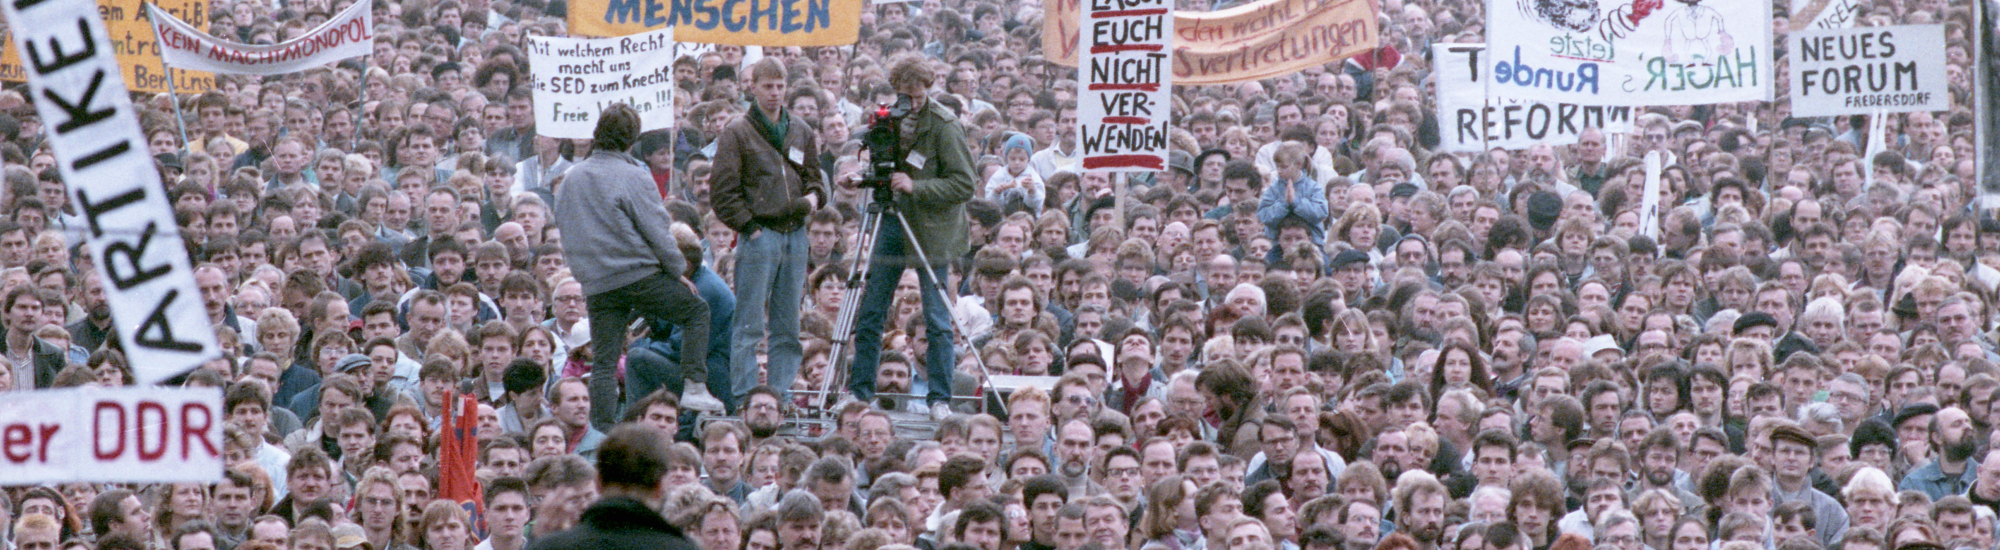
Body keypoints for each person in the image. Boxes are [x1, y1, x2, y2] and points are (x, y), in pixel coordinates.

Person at [553, 103, 724, 424]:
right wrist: (677, 271)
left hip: (598, 284)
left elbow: (565, 228)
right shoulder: (633, 176)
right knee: (696, 310)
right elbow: (659, 231)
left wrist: (587, 275)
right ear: (631, 140)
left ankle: (600, 431)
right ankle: (695, 385)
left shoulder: (570, 180)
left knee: (603, 363)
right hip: (639, 277)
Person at [835, 53, 977, 418]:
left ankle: (939, 399)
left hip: (932, 231)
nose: (911, 104)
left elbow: (964, 184)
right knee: (871, 309)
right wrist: (861, 177)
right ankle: (860, 392)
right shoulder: (890, 119)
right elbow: (884, 165)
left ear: (929, 89)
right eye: (904, 96)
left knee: (936, 317)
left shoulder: (945, 125)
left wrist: (918, 186)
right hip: (893, 222)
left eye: (917, 96)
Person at [710, 57, 826, 410]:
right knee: (748, 323)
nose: (775, 93)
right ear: (753, 87)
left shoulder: (801, 130)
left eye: (780, 86)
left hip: (796, 235)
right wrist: (750, 228)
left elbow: (817, 180)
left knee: (788, 324)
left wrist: (813, 199)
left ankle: (780, 395)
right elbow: (722, 192)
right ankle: (746, 396)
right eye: (767, 86)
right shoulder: (737, 132)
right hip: (761, 234)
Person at [524, 424, 699, 550]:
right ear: (661, 485)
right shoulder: (681, 547)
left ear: (598, 482)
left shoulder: (555, 545)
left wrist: (539, 541)